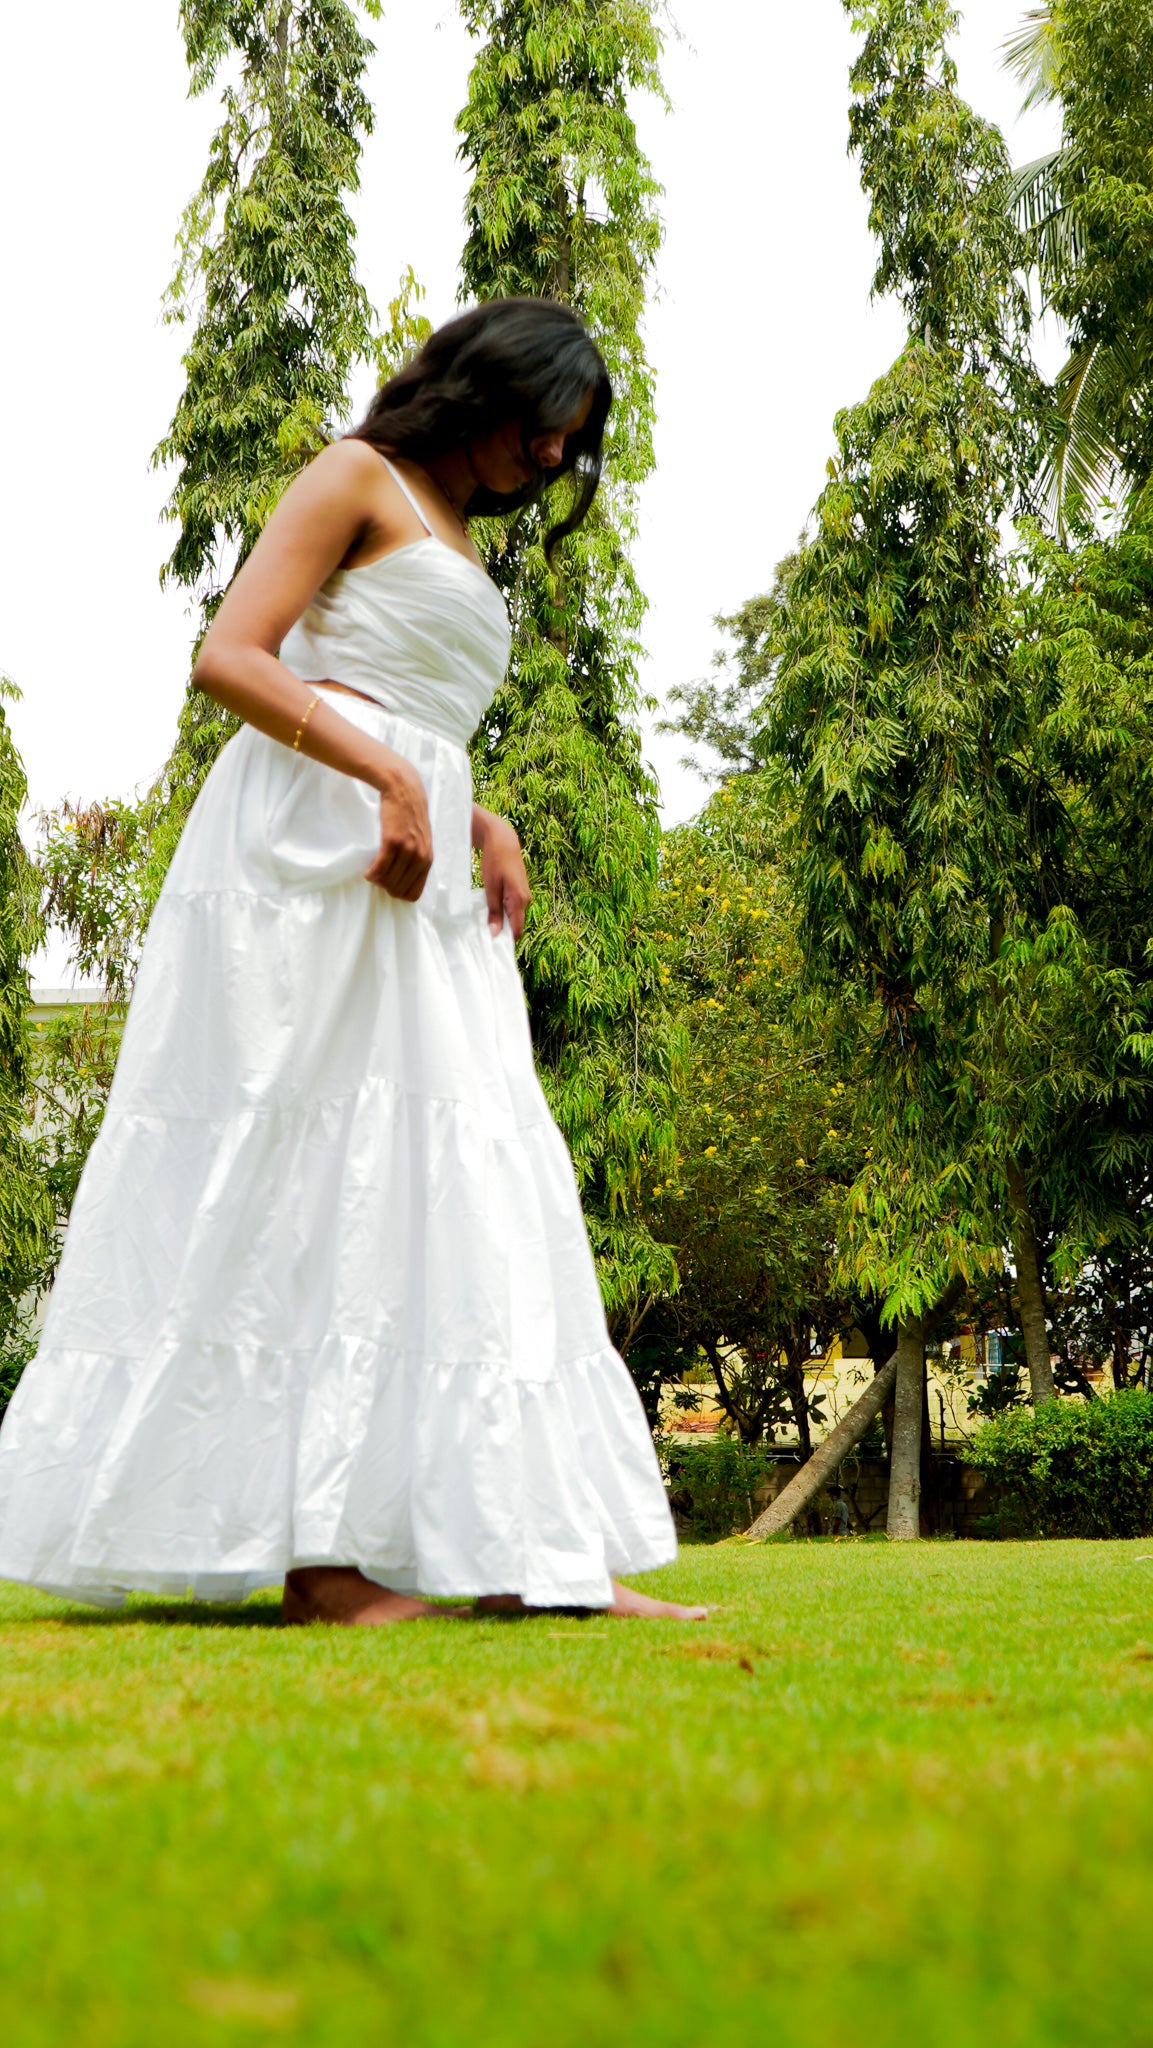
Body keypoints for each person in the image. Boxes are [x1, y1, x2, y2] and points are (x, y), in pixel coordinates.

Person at [0, 297, 704, 1625]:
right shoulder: (352, 475)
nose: (548, 462)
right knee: (313, 1159)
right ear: (479, 389)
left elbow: (413, 705)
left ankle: (511, 1548)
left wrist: (474, 809)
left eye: (566, 447)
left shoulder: (454, 532)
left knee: (454, 1176)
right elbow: (230, 657)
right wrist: (387, 774)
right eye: (539, 430)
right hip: (309, 853)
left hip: (417, 853)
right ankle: (325, 1563)